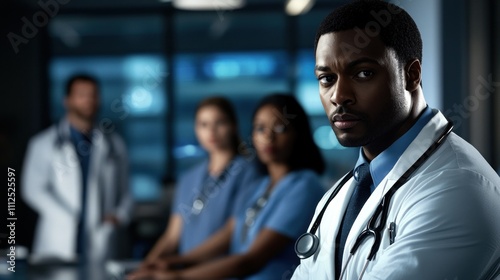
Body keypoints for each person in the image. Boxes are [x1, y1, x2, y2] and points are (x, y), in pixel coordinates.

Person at [291, 1, 500, 279]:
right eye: (327, 78)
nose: (339, 96)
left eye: (363, 73)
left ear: (411, 75)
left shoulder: (459, 187)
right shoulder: (338, 197)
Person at [128, 94, 326, 280]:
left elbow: (250, 260)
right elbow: (229, 233)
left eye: (281, 128)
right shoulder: (262, 186)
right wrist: (169, 263)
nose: (268, 137)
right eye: (260, 128)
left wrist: (178, 276)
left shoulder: (304, 186)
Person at [136, 96, 259, 270]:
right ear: (196, 129)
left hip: (221, 272)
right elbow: (172, 236)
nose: (211, 131)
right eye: (204, 124)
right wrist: (146, 267)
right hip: (186, 271)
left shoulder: (248, 173)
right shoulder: (189, 178)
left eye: (220, 123)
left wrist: (178, 261)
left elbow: (231, 234)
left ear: (233, 126)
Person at [21, 74, 132, 263]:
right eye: (81, 95)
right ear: (67, 100)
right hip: (58, 240)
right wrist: (66, 217)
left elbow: (127, 192)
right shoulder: (43, 144)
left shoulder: (114, 144)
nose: (88, 100)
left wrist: (119, 216)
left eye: (93, 95)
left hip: (102, 239)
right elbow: (32, 189)